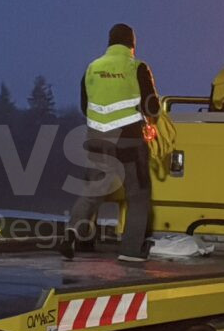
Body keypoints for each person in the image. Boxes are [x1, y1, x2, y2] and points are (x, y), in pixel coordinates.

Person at [64, 23, 159, 262]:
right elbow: (152, 106)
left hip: (97, 139)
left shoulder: (92, 68)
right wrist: (151, 121)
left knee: (92, 191)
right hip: (129, 140)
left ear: (109, 43)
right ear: (132, 45)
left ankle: (71, 231)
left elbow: (85, 107)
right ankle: (130, 252)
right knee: (137, 195)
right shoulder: (136, 67)